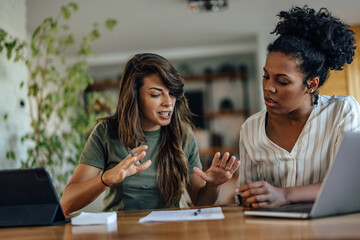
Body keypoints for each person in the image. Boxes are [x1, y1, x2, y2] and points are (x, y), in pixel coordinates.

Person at [60, 53, 240, 215]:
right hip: (121, 232)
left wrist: (214, 184)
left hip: (174, 230)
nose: (168, 103)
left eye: (172, 94)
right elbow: (67, 203)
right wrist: (106, 178)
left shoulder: (183, 134)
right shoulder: (106, 132)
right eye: (156, 94)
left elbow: (200, 201)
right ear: (134, 96)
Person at [236, 6, 360, 209]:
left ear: (311, 84)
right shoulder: (251, 128)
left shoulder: (342, 112)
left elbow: (352, 182)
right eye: (266, 76)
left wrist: (284, 195)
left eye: (282, 82)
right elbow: (248, 194)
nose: (269, 88)